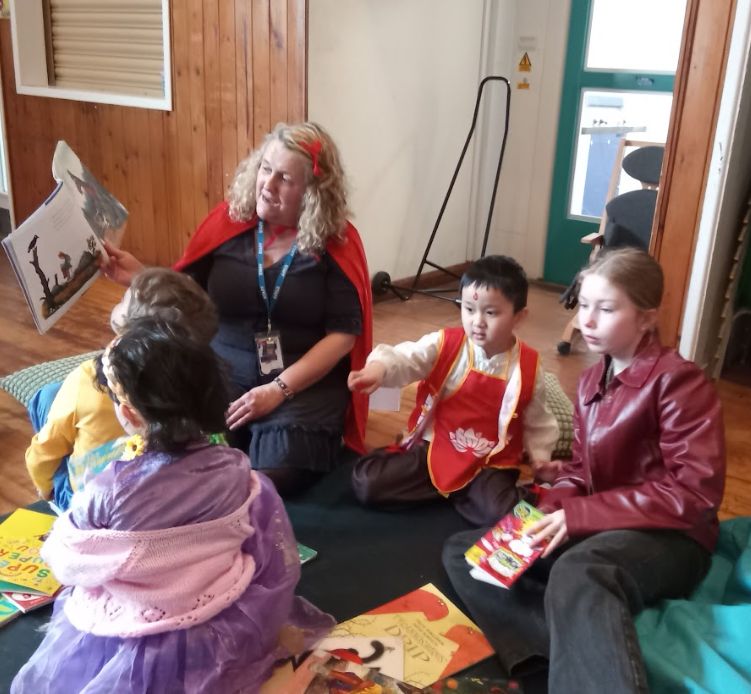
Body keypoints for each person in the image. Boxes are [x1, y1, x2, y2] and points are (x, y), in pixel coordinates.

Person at [442, 248, 726, 693]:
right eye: (585, 305)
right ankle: (556, 651)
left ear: (647, 318)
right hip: (604, 522)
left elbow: (694, 494)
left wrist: (577, 515)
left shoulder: (678, 381)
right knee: (470, 551)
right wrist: (552, 504)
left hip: (673, 536)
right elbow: (581, 470)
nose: (587, 321)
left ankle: (586, 656)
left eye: (606, 309)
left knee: (580, 569)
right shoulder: (593, 379)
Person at [12, 318, 335, 693]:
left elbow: (68, 559)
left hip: (131, 636)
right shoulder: (236, 469)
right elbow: (267, 550)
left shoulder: (108, 490)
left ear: (128, 414)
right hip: (221, 620)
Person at [101, 121, 372, 496]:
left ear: (313, 192)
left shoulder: (337, 242)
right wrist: (139, 275)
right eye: (265, 169)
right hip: (222, 370)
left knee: (272, 477)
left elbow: (343, 336)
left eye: (284, 179)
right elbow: (185, 294)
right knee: (192, 454)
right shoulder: (228, 223)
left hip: (302, 381)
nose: (268, 185)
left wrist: (278, 390)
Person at [348, 255, 559, 526]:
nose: (477, 321)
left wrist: (540, 459)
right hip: (436, 447)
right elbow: (407, 357)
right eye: (469, 309)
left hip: (489, 462)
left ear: (519, 317)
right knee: (368, 483)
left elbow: (539, 422)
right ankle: (459, 496)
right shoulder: (446, 343)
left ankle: (451, 493)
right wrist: (379, 368)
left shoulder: (528, 366)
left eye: (491, 313)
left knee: (505, 515)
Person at [25, 268, 218, 511]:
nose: (122, 295)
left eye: (125, 298)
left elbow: (44, 451)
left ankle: (58, 502)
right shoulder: (195, 379)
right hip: (165, 484)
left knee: (44, 397)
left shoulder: (87, 379)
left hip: (96, 501)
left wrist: (45, 489)